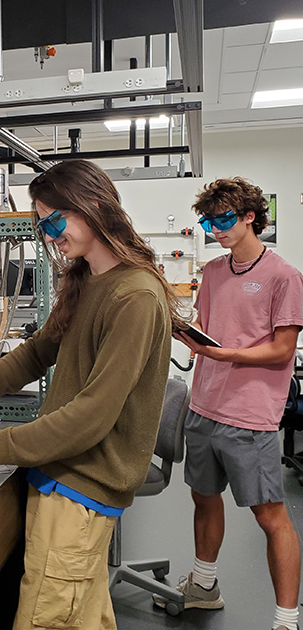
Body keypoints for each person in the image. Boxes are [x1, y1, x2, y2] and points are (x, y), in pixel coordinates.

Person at [0, 159, 184, 630]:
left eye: (55, 220)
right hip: (63, 475)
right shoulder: (87, 280)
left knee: (46, 619)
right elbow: (39, 352)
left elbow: (92, 415)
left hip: (81, 488)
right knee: (84, 616)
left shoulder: (134, 296)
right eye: (42, 224)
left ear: (93, 207)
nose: (50, 233)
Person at [154, 178, 303, 630]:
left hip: (250, 415)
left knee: (270, 516)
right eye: (208, 222)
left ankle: (285, 618)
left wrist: (226, 353)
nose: (214, 230)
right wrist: (184, 329)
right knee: (204, 498)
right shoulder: (215, 272)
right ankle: (204, 588)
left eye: (223, 220)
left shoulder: (284, 277)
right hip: (203, 408)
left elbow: (281, 350)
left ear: (250, 217)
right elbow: (206, 323)